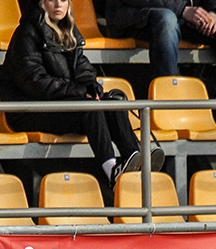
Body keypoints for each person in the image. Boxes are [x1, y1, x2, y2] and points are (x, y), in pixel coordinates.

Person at [0, 0, 164, 188]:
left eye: (62, 0)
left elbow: (83, 68)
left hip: (60, 104)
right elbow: (34, 81)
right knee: (90, 109)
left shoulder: (68, 30)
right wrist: (78, 92)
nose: (58, 4)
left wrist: (91, 86)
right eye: (52, 0)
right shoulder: (26, 33)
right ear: (41, 3)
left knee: (112, 101)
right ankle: (111, 170)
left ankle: (133, 156)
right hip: (28, 110)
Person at [105, 0, 216, 98]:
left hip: (186, 17)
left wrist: (214, 12)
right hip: (136, 14)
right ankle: (166, 101)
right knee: (167, 20)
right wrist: (182, 9)